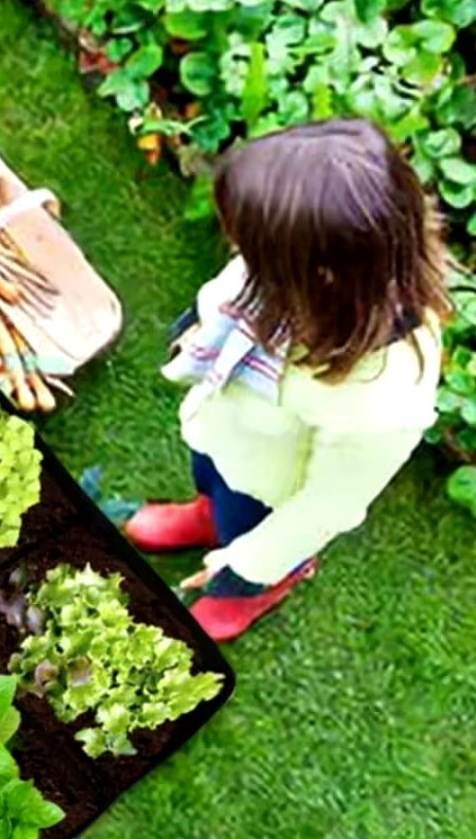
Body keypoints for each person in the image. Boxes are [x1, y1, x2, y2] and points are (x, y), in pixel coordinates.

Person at [122, 118, 451, 642]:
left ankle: (256, 588)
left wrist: (250, 563)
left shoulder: (383, 400)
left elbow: (327, 506)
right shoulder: (299, 278)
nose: (241, 257)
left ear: (317, 274)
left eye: (254, 250)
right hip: (227, 432)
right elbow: (234, 290)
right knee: (214, 479)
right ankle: (208, 514)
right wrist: (198, 323)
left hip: (271, 492)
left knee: (246, 527)